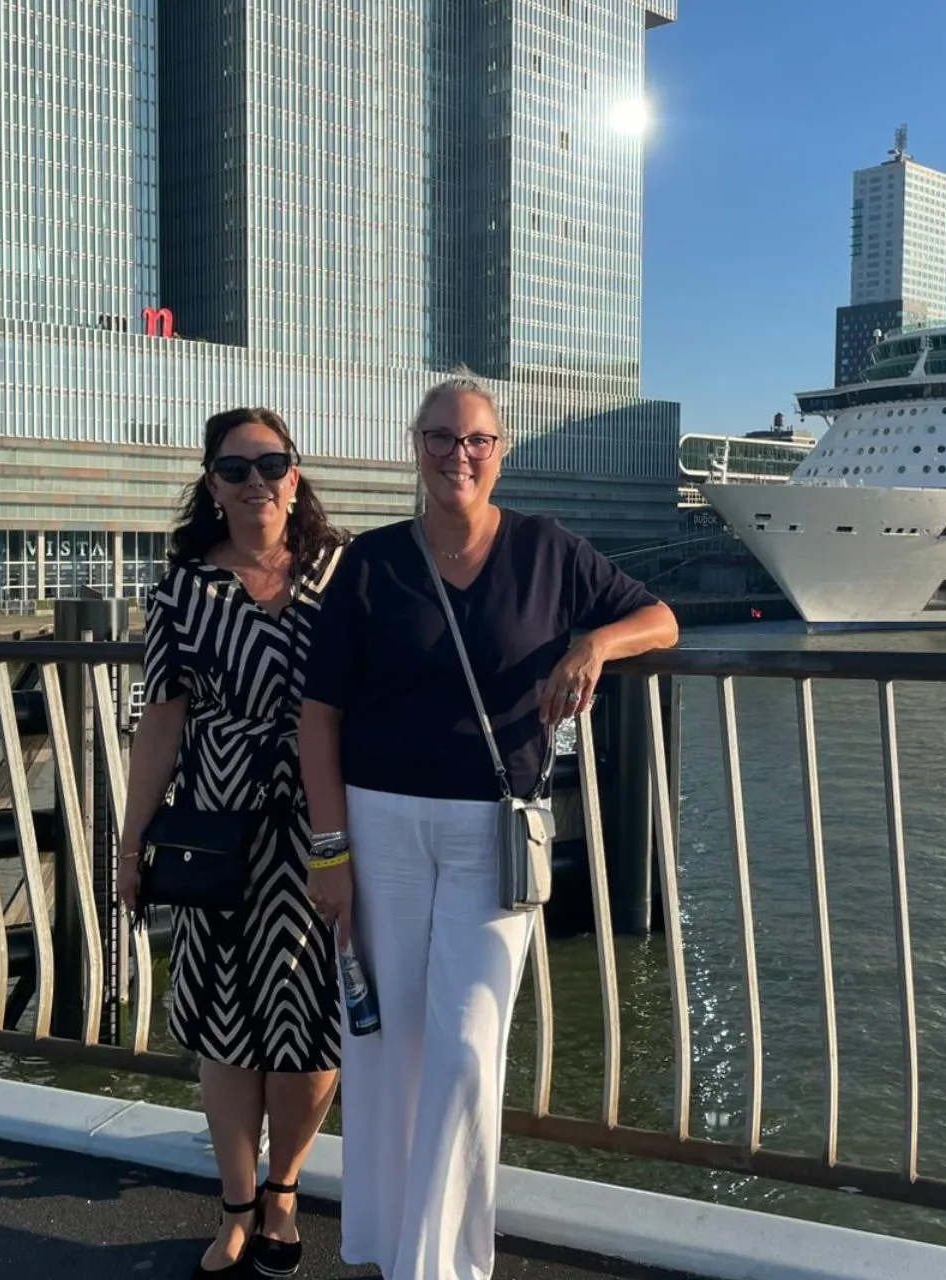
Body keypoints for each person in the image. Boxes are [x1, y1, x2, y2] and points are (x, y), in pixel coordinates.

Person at [299, 374, 679, 1279]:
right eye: (439, 437)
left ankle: (439, 1266)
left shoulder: (548, 552)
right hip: (380, 828)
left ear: (501, 451)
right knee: (386, 1050)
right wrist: (330, 851)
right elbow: (318, 716)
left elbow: (659, 619)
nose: (456, 455)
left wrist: (594, 643)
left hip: (491, 833)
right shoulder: (372, 562)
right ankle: (391, 1249)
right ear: (416, 446)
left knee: (468, 1049)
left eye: (475, 440)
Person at [116, 407, 345, 1279]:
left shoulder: (340, 572)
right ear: (210, 483)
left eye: (271, 464)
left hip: (322, 825)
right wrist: (131, 847)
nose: (256, 483)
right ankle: (238, 1204)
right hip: (217, 825)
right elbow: (160, 726)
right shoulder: (181, 586)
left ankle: (284, 1189)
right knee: (225, 1022)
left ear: (297, 475)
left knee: (312, 1020)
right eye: (235, 469)